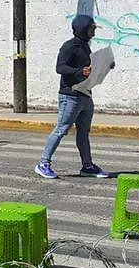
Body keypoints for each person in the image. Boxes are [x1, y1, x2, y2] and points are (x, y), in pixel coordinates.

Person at [36, 15, 112, 179]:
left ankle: (87, 165)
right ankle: (43, 163)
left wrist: (105, 66)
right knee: (61, 129)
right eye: (92, 28)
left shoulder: (85, 46)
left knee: (83, 132)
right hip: (70, 95)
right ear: (83, 29)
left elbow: (89, 69)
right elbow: (60, 68)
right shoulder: (69, 46)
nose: (94, 31)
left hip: (85, 94)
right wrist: (79, 72)